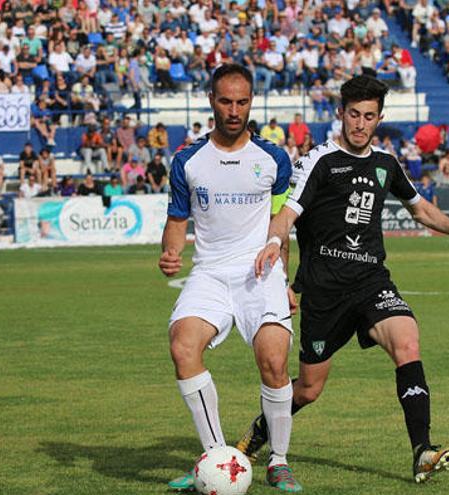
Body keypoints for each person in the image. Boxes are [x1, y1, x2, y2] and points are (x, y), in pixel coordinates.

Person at [235, 75, 449, 484]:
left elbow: (420, 209)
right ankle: (259, 432)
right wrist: (275, 245)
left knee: (407, 341)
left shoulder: (385, 164)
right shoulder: (319, 161)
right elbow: (287, 214)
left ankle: (422, 451)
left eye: (370, 116)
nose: (361, 124)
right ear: (341, 114)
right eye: (354, 115)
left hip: (371, 281)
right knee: (308, 389)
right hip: (324, 291)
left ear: (380, 118)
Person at [159, 64, 301, 493]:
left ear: (251, 102)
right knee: (183, 346)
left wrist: (288, 281)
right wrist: (170, 251)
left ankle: (278, 459)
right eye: (226, 101)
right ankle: (216, 456)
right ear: (211, 101)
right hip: (211, 272)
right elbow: (176, 221)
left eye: (242, 102)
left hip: (261, 273)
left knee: (274, 361)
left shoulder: (273, 158)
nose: (234, 110)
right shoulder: (187, 161)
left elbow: (283, 224)